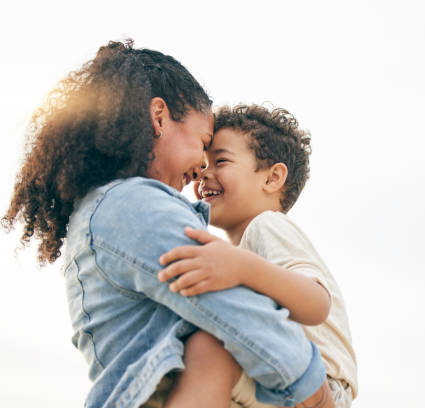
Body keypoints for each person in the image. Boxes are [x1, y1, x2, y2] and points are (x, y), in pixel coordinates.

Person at [2, 40, 330, 408]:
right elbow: (233, 310)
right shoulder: (134, 207)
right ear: (158, 118)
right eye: (203, 143)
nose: (201, 172)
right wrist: (314, 392)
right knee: (210, 348)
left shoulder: (106, 210)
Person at [156, 104, 358, 408]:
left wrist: (241, 267)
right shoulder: (243, 246)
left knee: (200, 354)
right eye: (203, 161)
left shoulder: (267, 226)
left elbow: (317, 301)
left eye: (220, 160)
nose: (203, 172)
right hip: (278, 375)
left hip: (317, 382)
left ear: (273, 178)